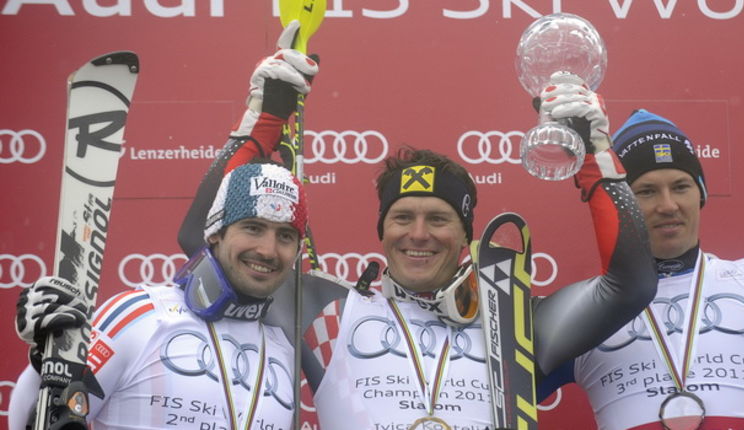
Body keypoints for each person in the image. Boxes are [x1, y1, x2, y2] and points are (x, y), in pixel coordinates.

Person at [175, 65, 658, 427]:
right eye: (402, 217)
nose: (419, 234)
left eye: (439, 219)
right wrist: (262, 124)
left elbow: (630, 286)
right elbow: (203, 242)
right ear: (382, 230)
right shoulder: (325, 309)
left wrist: (595, 157)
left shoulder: (510, 319)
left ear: (467, 234)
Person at [9, 21, 318, 430]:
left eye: (285, 236)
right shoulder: (141, 316)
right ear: (214, 233)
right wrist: (45, 362)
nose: (267, 249)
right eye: (252, 228)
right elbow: (30, 422)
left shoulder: (284, 346)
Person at [536, 96, 744, 429]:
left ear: (701, 193)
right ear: (622, 203)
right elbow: (488, 396)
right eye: (646, 191)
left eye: (681, 187)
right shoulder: (582, 312)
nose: (668, 205)